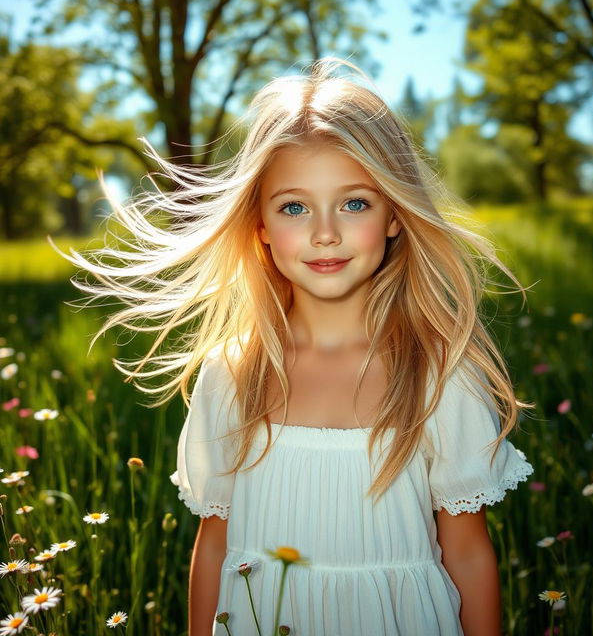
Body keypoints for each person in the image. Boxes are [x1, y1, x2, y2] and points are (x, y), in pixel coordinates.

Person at [53, 57, 535, 635]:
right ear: (259, 224)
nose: (325, 231)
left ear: (394, 216)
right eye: (294, 207)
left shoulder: (437, 372)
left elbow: (468, 552)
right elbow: (214, 546)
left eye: (355, 202)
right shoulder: (232, 372)